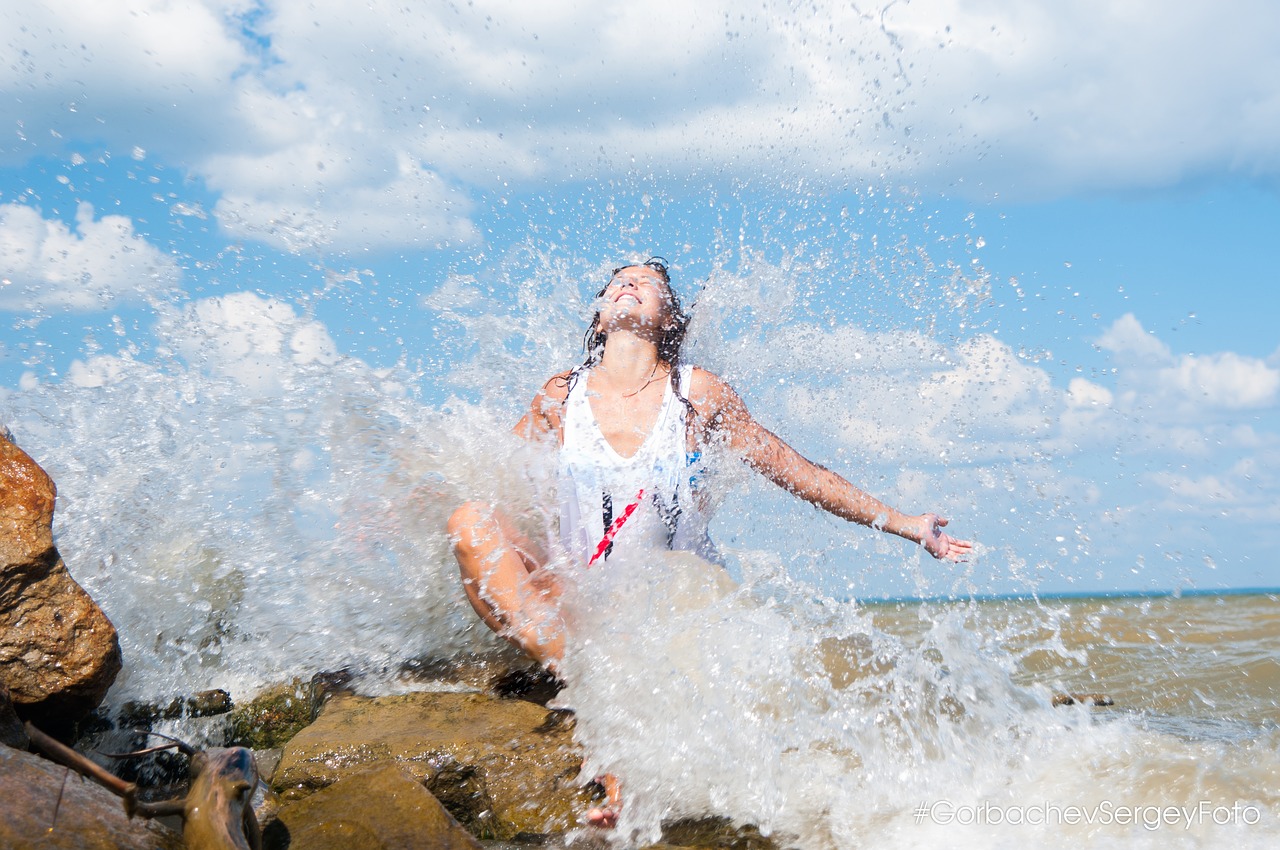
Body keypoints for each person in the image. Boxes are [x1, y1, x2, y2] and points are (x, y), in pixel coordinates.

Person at [447, 257, 972, 827]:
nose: (630, 284)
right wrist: (399, 504)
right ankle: (593, 687)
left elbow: (797, 471)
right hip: (578, 610)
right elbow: (496, 480)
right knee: (470, 519)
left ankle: (614, 739)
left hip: (667, 615)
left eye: (649, 284)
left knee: (642, 600)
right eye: (618, 280)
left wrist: (906, 524)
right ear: (599, 318)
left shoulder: (695, 393)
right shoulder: (557, 395)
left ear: (669, 318)